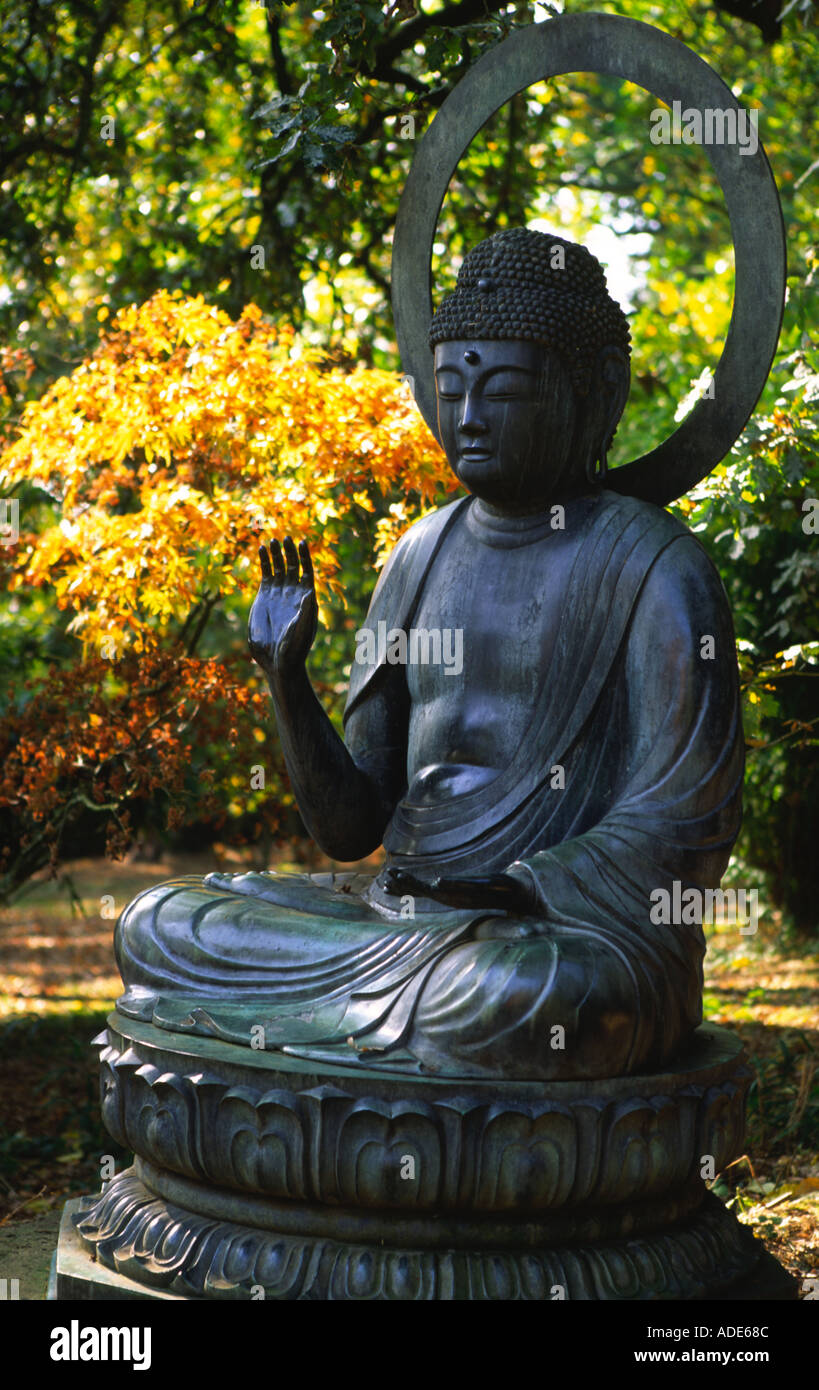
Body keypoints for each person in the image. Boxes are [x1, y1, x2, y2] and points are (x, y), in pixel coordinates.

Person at [115, 228, 743, 1080]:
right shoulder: (417, 556)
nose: (469, 417)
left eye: (506, 389)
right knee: (163, 921)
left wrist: (521, 885)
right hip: (398, 914)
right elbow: (349, 828)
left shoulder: (655, 567)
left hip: (555, 936)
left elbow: (688, 822)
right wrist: (284, 678)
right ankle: (354, 1036)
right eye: (449, 388)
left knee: (533, 998)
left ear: (594, 394)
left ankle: (314, 1046)